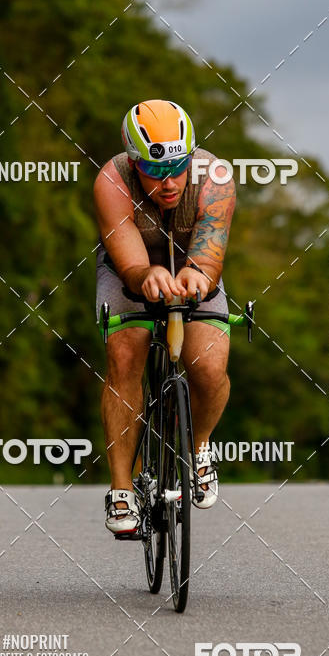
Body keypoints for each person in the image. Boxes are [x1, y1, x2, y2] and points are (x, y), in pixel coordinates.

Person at [94, 99, 236, 535]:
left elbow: (209, 256)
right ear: (135, 162)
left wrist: (197, 277)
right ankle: (121, 490)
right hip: (130, 265)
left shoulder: (216, 179)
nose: (169, 182)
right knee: (125, 352)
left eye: (177, 168)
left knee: (209, 366)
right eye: (155, 172)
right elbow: (131, 265)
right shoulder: (112, 179)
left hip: (193, 265)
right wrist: (146, 275)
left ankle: (200, 447)